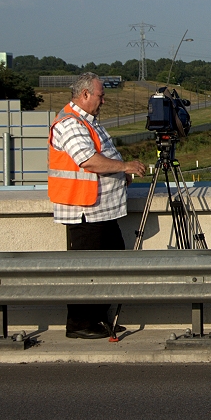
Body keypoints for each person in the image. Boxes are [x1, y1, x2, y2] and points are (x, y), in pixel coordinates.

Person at [48, 72, 145, 339]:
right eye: (101, 96)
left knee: (108, 266)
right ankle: (79, 324)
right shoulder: (69, 123)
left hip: (102, 211)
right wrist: (125, 166)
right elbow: (89, 160)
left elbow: (103, 156)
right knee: (86, 270)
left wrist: (119, 173)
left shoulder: (88, 121)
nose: (104, 101)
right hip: (84, 211)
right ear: (85, 95)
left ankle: (99, 318)